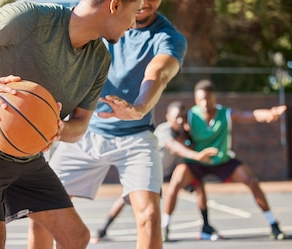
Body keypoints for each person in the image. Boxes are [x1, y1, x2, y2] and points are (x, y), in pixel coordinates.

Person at [0, 0, 144, 248]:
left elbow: (79, 125)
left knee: (76, 237)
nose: (134, 23)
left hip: (26, 155)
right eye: (134, 13)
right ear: (115, 5)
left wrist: (58, 130)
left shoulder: (99, 60)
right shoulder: (32, 17)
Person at [28, 0, 187, 248]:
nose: (145, 2)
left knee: (150, 216)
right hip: (85, 129)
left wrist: (139, 108)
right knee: (43, 211)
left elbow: (158, 73)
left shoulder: (169, 37)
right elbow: (36, 10)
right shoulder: (94, 8)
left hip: (136, 135)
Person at [162, 79, 288, 241]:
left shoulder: (226, 114)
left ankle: (273, 225)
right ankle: (165, 226)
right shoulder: (190, 116)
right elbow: (176, 132)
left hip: (222, 160)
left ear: (214, 97)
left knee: (251, 181)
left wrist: (268, 115)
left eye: (207, 98)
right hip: (197, 161)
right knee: (176, 181)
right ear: (195, 99)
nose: (204, 102)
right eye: (200, 99)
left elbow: (249, 115)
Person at [93, 101, 218, 243]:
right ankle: (103, 229)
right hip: (152, 170)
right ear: (168, 117)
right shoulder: (164, 130)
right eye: (176, 117)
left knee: (198, 184)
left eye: (182, 117)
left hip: (169, 171)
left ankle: (205, 226)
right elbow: (174, 147)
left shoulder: (184, 132)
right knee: (125, 198)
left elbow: (193, 143)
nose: (179, 120)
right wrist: (196, 155)